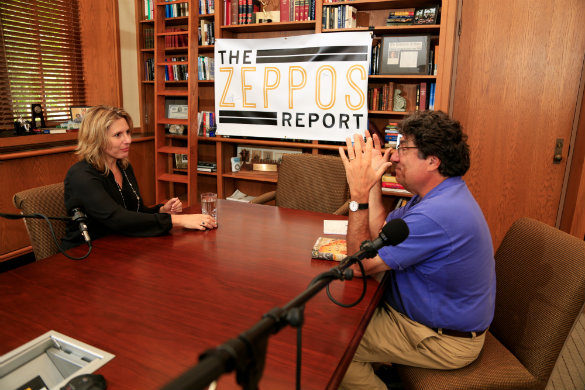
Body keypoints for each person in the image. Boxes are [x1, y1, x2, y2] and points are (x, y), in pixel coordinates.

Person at [338, 110, 496, 390]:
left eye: (403, 148)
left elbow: (357, 266)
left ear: (433, 161)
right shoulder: (441, 194)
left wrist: (358, 195)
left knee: (334, 344)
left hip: (443, 340)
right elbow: (380, 234)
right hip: (425, 320)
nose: (395, 156)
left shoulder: (435, 214)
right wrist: (372, 183)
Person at [61, 105, 217, 249]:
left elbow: (134, 211)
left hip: (121, 244)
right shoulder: (81, 176)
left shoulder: (123, 166)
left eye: (128, 132)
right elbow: (117, 218)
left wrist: (162, 210)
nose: (128, 140)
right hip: (85, 252)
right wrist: (179, 221)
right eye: (118, 135)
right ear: (97, 139)